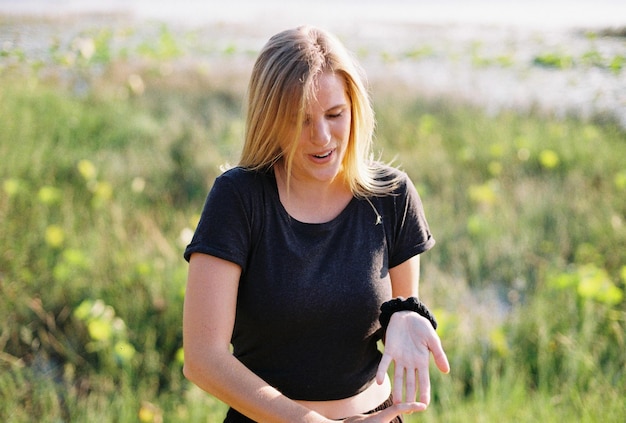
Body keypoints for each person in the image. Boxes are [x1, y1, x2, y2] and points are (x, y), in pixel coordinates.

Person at [182, 25, 450, 423]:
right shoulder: (238, 197)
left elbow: (398, 307)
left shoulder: (392, 196)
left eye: (335, 114)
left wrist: (407, 316)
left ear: (355, 108)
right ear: (270, 120)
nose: (321, 137)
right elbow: (203, 359)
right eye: (300, 120)